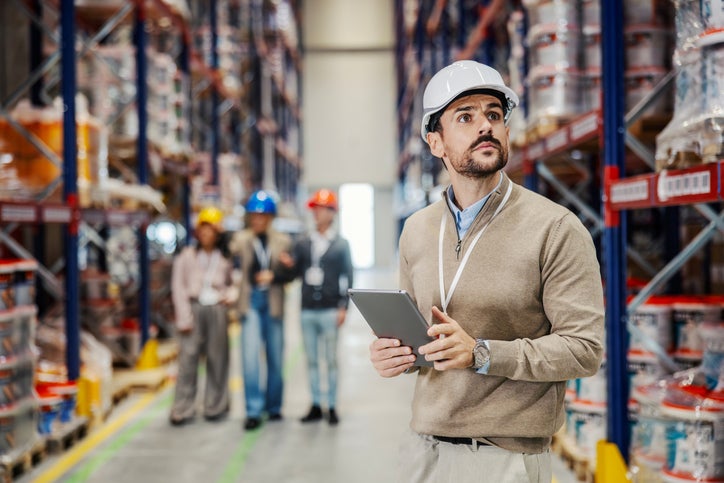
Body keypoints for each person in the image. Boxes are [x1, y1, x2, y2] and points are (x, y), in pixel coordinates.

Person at [368, 60, 605, 483]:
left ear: (508, 131)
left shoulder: (555, 228)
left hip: (505, 457)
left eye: (494, 115)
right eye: (466, 117)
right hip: (423, 450)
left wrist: (483, 353)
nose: (486, 126)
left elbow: (584, 349)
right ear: (436, 143)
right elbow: (422, 342)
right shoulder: (417, 230)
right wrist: (397, 356)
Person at [229, 190, 295, 431]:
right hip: (251, 303)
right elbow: (230, 255)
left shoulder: (283, 241)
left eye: (263, 215)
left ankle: (274, 407)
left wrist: (279, 272)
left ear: (270, 217)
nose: (258, 220)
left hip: (274, 301)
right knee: (249, 359)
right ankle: (253, 410)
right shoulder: (241, 239)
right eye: (254, 215)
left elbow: (291, 274)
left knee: (276, 357)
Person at [169, 206, 237, 426]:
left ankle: (216, 406)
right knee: (188, 360)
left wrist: (229, 296)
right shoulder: (187, 256)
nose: (207, 234)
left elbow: (235, 282)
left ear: (218, 232)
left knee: (218, 359)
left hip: (217, 309)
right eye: (203, 229)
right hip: (194, 308)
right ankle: (183, 408)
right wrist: (183, 317)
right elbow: (178, 287)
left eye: (211, 230)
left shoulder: (226, 257)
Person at [293, 189, 354, 426]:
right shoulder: (303, 243)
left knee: (330, 359)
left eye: (321, 209)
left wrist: (343, 306)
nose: (316, 213)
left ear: (332, 213)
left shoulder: (340, 245)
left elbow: (348, 277)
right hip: (307, 309)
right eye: (315, 209)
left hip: (330, 309)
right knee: (311, 360)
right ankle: (316, 404)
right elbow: (296, 271)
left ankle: (331, 405)